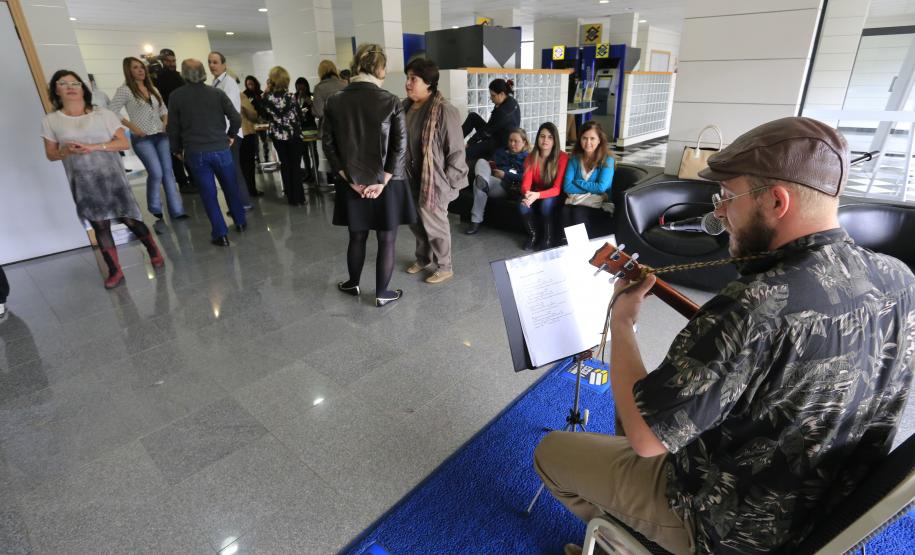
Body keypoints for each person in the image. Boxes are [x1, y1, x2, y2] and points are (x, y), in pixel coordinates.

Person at [534, 117, 915, 555]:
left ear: (776, 201)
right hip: (829, 508)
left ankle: (629, 542)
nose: (718, 213)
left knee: (551, 452)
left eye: (727, 197)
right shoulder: (900, 277)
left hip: (732, 525)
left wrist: (622, 322)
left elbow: (644, 437)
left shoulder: (756, 305)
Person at [41, 70, 165, 288]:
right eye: (63, 83)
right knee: (100, 226)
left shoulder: (103, 114)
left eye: (75, 83)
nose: (70, 87)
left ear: (83, 88)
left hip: (112, 179)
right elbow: (51, 154)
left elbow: (123, 143)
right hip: (83, 182)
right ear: (56, 90)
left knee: (130, 220)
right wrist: (66, 151)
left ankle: (153, 250)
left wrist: (94, 147)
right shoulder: (51, 121)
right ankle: (115, 270)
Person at [323, 44, 416, 306]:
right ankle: (381, 293)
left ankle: (352, 284)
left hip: (350, 181)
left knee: (357, 235)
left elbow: (328, 145)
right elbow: (400, 147)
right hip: (388, 182)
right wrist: (383, 181)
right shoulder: (391, 101)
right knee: (387, 238)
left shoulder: (334, 100)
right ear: (378, 68)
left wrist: (350, 180)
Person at [403, 57, 468, 285]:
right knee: (415, 222)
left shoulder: (444, 111)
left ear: (428, 82)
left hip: (435, 182)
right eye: (407, 78)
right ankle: (423, 258)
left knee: (436, 225)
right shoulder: (406, 107)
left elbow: (457, 151)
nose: (408, 83)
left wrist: (448, 183)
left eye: (413, 79)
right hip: (410, 178)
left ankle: (445, 266)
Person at [167, 59, 246, 246]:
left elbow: (174, 127)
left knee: (208, 194)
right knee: (230, 187)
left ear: (184, 74)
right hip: (221, 148)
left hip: (196, 151)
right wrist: (231, 135)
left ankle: (221, 234)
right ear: (203, 72)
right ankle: (240, 221)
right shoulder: (216, 93)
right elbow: (236, 117)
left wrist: (176, 149)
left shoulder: (176, 96)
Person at [108, 57, 186, 221]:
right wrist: (132, 127)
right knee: (156, 172)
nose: (140, 70)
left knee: (168, 173)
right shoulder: (125, 90)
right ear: (128, 71)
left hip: (161, 135)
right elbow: (112, 110)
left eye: (142, 67)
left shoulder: (153, 88)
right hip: (142, 138)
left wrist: (165, 121)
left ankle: (177, 210)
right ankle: (155, 206)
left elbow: (163, 108)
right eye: (135, 67)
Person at [465, 128, 530, 236]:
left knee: (478, 183)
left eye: (516, 141)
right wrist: (491, 166)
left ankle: (475, 221)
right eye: (510, 140)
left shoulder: (528, 158)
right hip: (491, 180)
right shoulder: (500, 152)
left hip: (507, 187)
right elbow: (490, 165)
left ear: (524, 142)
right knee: (481, 162)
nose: (512, 144)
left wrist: (505, 175)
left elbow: (525, 177)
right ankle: (482, 182)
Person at [208, 51, 252, 209]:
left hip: (231, 133)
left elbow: (231, 111)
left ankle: (244, 203)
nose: (212, 65)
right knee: (230, 169)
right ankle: (239, 202)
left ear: (224, 64)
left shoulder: (229, 83)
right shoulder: (215, 83)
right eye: (210, 62)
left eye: (215, 62)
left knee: (234, 169)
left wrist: (229, 134)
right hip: (224, 133)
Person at [518, 121, 569, 250]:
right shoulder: (531, 157)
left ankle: (548, 238)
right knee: (523, 205)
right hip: (536, 193)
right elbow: (525, 184)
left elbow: (557, 189)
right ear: (538, 138)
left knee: (546, 204)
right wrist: (527, 194)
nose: (545, 140)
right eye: (542, 136)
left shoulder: (563, 158)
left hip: (555, 195)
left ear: (555, 140)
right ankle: (533, 236)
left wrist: (537, 195)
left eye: (550, 137)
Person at [152, 48, 196, 194]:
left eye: (174, 61)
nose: (172, 64)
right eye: (168, 61)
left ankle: (193, 179)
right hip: (171, 120)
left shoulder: (180, 77)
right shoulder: (157, 79)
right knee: (176, 152)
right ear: (163, 62)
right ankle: (183, 182)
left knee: (187, 150)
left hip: (185, 119)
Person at [560, 120, 615, 235]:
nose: (588, 142)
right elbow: (567, 186)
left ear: (599, 140)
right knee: (565, 211)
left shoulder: (608, 160)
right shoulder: (574, 159)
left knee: (578, 213)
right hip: (579, 202)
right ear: (580, 139)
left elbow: (601, 188)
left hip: (601, 205)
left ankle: (583, 249)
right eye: (584, 138)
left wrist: (578, 182)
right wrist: (591, 191)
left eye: (592, 138)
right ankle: (568, 246)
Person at [261, 66, 306, 206]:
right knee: (295, 166)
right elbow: (299, 116)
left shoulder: (267, 98)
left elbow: (265, 116)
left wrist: (266, 92)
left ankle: (291, 198)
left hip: (277, 135)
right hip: (293, 135)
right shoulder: (291, 97)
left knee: (285, 165)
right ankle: (300, 198)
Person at [461, 78, 521, 164]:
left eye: (493, 95)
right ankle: (455, 141)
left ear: (502, 94)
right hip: (496, 133)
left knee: (465, 153)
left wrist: (469, 143)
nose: (491, 98)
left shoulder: (502, 112)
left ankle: (459, 152)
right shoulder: (511, 101)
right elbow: (490, 127)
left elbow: (486, 131)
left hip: (499, 144)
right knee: (473, 116)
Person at [239, 85, 262, 198]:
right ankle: (251, 189)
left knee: (239, 165)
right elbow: (252, 114)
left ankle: (242, 192)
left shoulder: (218, 94)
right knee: (248, 165)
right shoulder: (240, 96)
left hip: (231, 136)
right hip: (246, 132)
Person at [294, 77, 318, 183]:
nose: (300, 87)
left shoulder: (311, 95)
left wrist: (310, 101)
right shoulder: (294, 97)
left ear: (306, 85)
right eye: (298, 85)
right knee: (304, 152)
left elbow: (316, 109)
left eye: (302, 85)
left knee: (313, 151)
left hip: (310, 126)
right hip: (300, 128)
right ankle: (308, 173)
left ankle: (315, 172)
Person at [312, 60, 346, 129]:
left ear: (320, 72)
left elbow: (319, 112)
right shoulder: (344, 84)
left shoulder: (319, 88)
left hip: (328, 129)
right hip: (345, 127)